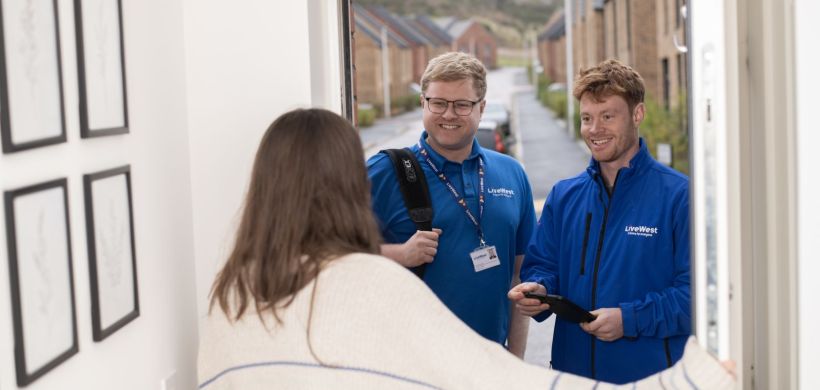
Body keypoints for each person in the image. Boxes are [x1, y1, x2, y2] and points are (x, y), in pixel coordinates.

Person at [197, 108, 733, 389]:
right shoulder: (365, 282)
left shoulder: (231, 294)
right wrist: (700, 378)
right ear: (348, 182)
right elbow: (496, 381)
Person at [508, 58, 692, 384]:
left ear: (638, 114)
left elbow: (694, 298)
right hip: (573, 377)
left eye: (608, 116)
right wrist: (541, 290)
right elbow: (542, 266)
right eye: (587, 118)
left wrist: (629, 319)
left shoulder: (678, 195)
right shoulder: (564, 196)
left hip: (650, 379)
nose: (595, 130)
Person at [366, 52, 535, 356]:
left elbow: (519, 280)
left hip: (491, 364)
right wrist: (400, 253)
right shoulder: (385, 171)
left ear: (481, 108)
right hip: (413, 366)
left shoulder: (512, 173)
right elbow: (328, 252)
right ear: (423, 103)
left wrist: (516, 361)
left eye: (461, 105)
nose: (448, 114)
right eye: (439, 103)